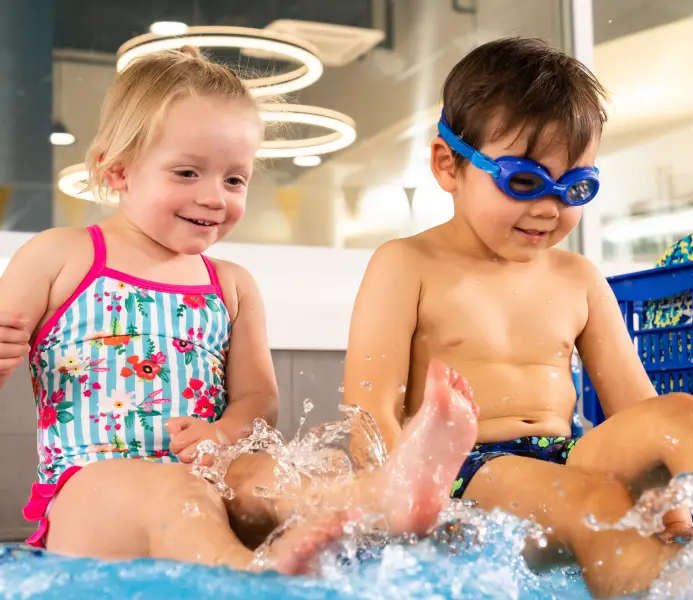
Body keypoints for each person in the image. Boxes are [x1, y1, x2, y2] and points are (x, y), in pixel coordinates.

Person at [342, 37, 693, 598]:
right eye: (525, 181)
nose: (550, 208)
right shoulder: (408, 264)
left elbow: (639, 410)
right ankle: (652, 588)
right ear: (449, 164)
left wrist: (670, 494)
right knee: (598, 501)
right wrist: (398, 504)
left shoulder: (577, 278)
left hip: (564, 460)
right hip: (460, 476)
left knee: (677, 412)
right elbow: (370, 415)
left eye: (575, 187)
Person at [0, 47, 478, 575]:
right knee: (170, 489)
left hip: (209, 486)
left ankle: (381, 496)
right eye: (186, 173)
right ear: (117, 172)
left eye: (234, 179)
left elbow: (258, 398)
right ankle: (253, 573)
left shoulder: (230, 286)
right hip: (87, 497)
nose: (214, 197)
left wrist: (225, 432)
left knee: (266, 475)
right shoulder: (60, 255)